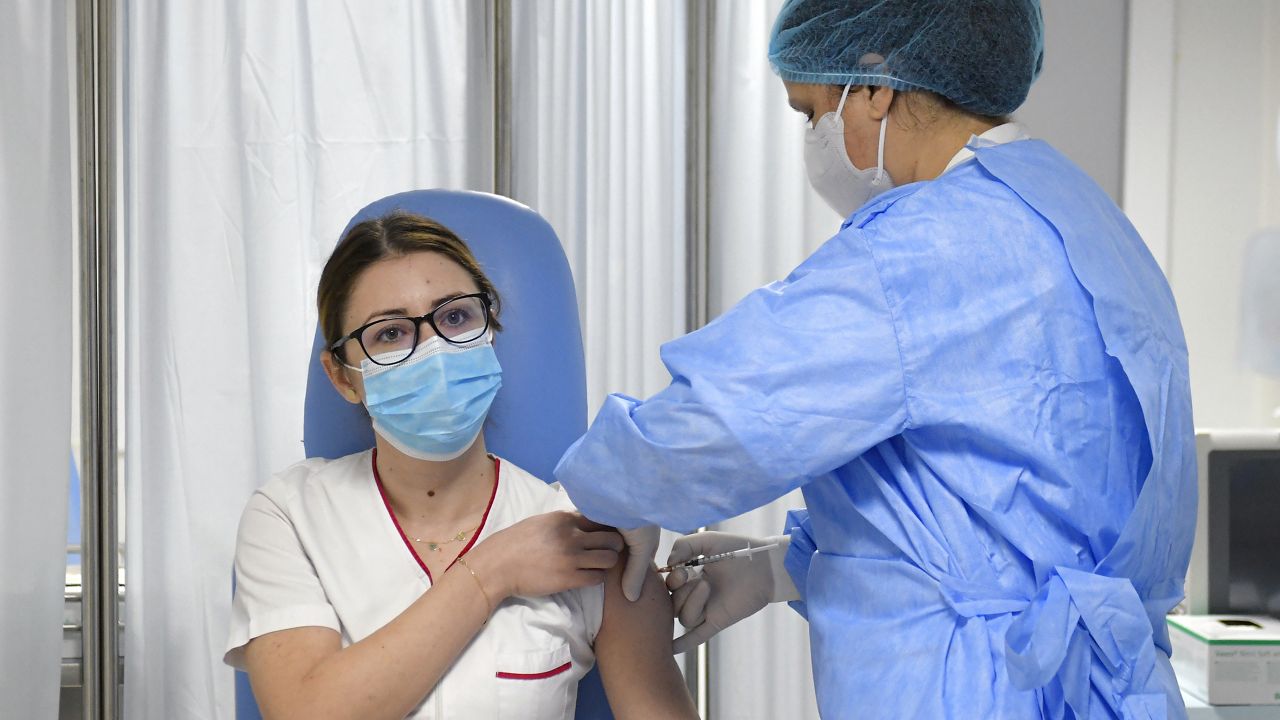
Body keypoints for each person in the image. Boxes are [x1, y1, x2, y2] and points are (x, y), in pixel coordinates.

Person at [553, 1, 1196, 718]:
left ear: (875, 86)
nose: (813, 139)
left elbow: (713, 427)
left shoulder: (923, 250)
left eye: (811, 113)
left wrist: (613, 489)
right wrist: (786, 568)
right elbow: (1012, 506)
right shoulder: (1089, 224)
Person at [224, 211, 696, 719]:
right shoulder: (289, 516)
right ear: (342, 376)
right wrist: (491, 571)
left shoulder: (584, 535)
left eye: (454, 318)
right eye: (390, 333)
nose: (433, 351)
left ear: (490, 329)